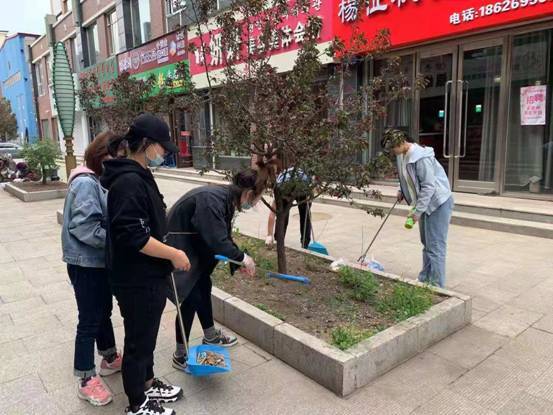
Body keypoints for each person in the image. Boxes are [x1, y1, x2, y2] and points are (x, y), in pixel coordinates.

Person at [101, 114, 191, 415]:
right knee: (139, 340)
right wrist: (173, 254)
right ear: (147, 144)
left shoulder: (139, 173)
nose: (164, 154)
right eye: (162, 148)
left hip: (148, 274)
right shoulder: (127, 181)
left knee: (147, 334)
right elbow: (133, 236)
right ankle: (137, 403)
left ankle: (149, 382)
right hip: (136, 278)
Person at [166, 167, 270, 370]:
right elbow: (216, 239)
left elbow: (223, 235)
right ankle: (180, 353)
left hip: (193, 249)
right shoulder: (212, 199)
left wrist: (238, 261)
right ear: (248, 194)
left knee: (203, 288)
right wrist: (242, 258)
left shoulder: (225, 199)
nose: (254, 204)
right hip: (180, 250)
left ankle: (211, 336)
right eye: (257, 200)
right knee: (189, 298)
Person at [61, 132, 122, 407]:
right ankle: (86, 379)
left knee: (103, 312)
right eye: (116, 157)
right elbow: (85, 228)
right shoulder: (86, 183)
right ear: (101, 156)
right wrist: (118, 243)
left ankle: (109, 357)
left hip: (96, 262)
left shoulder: (97, 181)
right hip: (85, 263)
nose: (119, 162)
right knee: (89, 319)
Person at [385, 128, 454, 288]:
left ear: (401, 142)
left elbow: (428, 187)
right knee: (427, 243)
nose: (391, 151)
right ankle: (425, 278)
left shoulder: (421, 157)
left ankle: (437, 285)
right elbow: (406, 176)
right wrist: (401, 189)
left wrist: (418, 211)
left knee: (435, 245)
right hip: (425, 203)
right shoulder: (402, 155)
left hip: (438, 203)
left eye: (392, 147)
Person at [265, 166, 312, 249]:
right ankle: (278, 240)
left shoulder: (304, 185)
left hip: (302, 188)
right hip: (287, 186)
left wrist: (309, 198)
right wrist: (269, 235)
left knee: (305, 216)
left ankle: (305, 243)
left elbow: (311, 189)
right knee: (282, 216)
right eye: (288, 199)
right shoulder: (280, 188)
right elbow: (272, 213)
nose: (291, 201)